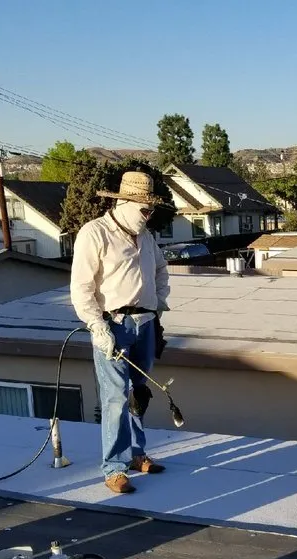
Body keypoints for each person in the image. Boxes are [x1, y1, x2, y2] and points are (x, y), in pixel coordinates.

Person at [70, 171, 171, 494]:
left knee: (139, 392)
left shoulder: (146, 237)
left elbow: (160, 269)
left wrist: (158, 302)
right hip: (113, 324)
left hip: (146, 323)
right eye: (144, 209)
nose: (149, 215)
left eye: (152, 210)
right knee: (115, 397)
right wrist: (97, 326)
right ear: (125, 203)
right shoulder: (95, 233)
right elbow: (81, 287)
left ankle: (137, 454)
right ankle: (114, 467)